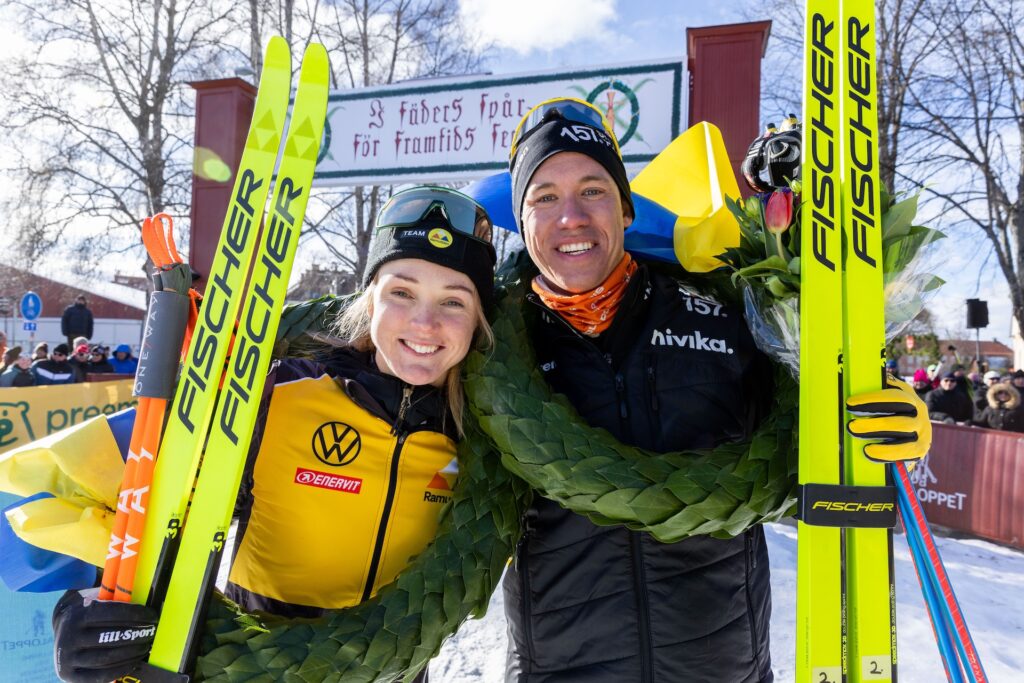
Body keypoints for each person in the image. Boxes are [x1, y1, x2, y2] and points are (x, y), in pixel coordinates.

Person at [494, 98, 932, 682]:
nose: (570, 216)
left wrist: (873, 415)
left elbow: (810, 423)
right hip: (562, 669)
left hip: (720, 665)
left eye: (594, 190)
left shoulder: (726, 315)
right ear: (522, 222)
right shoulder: (492, 350)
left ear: (625, 209)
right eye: (544, 196)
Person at [50, 186, 497, 683]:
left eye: (454, 302)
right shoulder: (279, 394)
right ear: (369, 301)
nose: (424, 322)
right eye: (402, 292)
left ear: (478, 321)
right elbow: (143, 509)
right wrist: (82, 614)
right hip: (251, 666)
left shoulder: (483, 442)